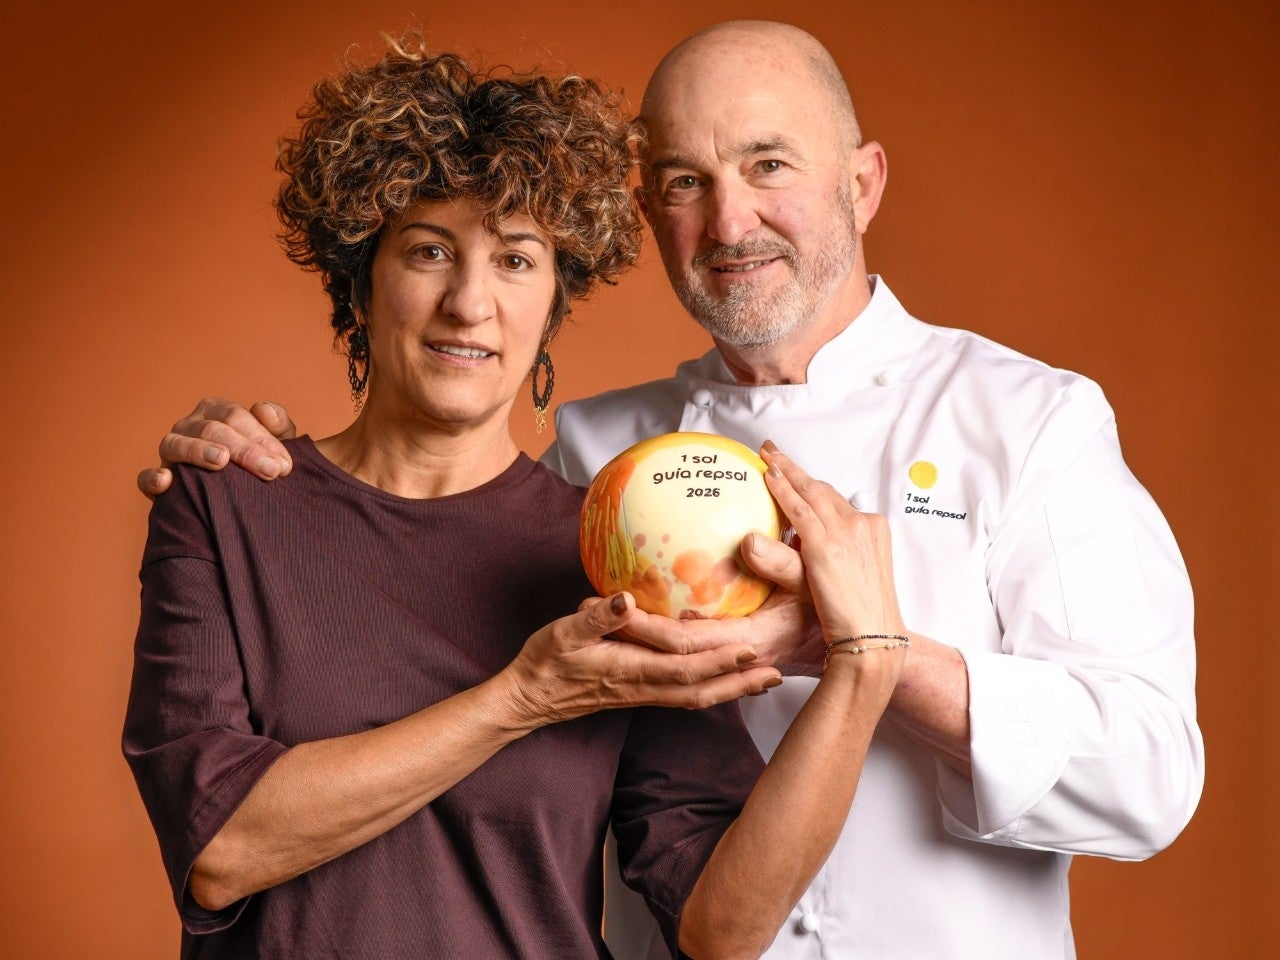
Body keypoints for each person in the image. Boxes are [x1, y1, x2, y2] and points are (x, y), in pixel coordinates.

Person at [138, 20, 1205, 960]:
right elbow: (426, 530)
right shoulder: (596, 460)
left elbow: (1148, 779)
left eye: (768, 163)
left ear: (861, 182)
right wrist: (251, 462)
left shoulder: (1027, 419)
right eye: (685, 181)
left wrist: (867, 653)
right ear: (647, 212)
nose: (730, 222)